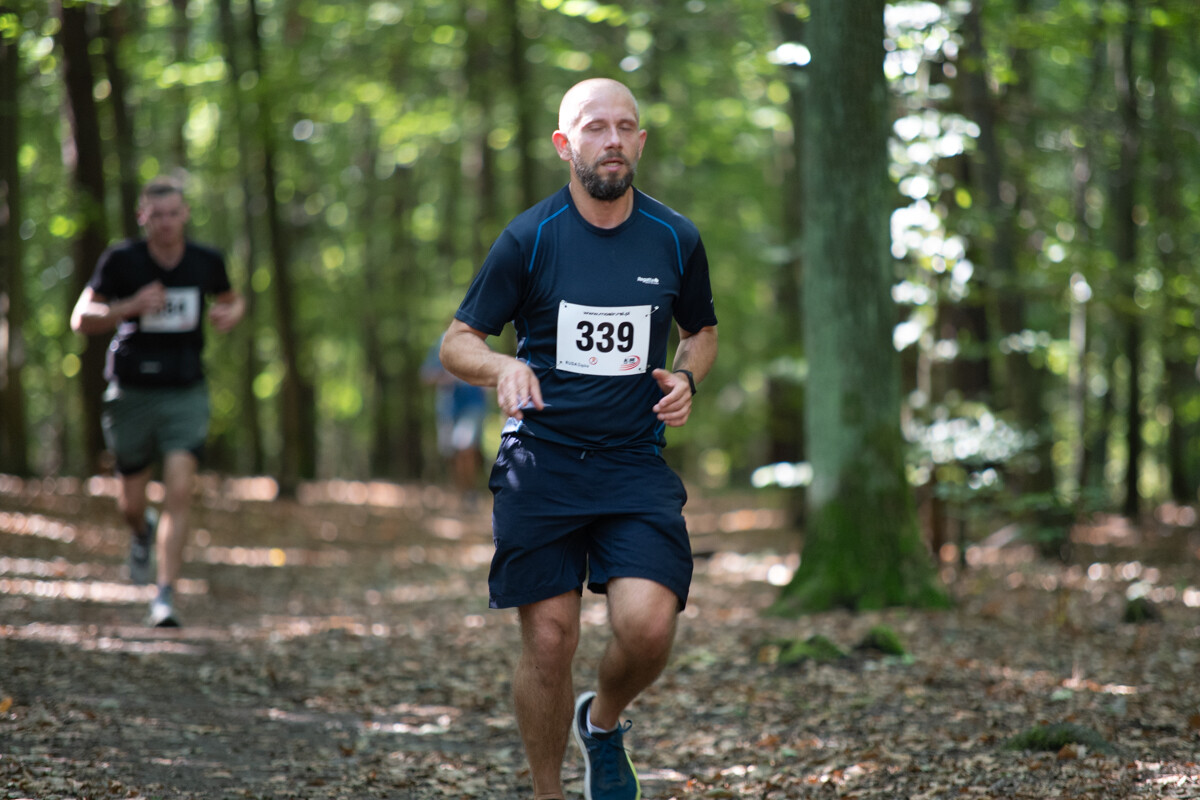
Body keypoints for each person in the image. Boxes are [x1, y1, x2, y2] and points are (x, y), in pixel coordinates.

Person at [439, 78, 718, 800]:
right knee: (551, 638)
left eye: (626, 127)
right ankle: (548, 793)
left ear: (642, 142)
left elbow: (703, 331)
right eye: (596, 128)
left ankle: (605, 721)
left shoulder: (675, 237)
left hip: (632, 463)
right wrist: (502, 363)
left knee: (650, 625)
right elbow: (456, 341)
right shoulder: (529, 239)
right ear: (566, 145)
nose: (614, 140)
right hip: (544, 462)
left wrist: (688, 377)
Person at [70, 175, 244, 628]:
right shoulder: (121, 260)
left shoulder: (207, 261)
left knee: (180, 491)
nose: (166, 224)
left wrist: (230, 313)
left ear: (185, 214)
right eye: (157, 215)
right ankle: (141, 530)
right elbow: (80, 318)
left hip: (186, 392)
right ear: (143, 216)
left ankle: (164, 595)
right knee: (130, 503)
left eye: (174, 214)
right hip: (130, 393)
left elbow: (232, 298)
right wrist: (129, 306)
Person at [421, 334, 488, 499]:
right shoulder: (441, 344)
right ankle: (461, 491)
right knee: (451, 452)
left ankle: (470, 492)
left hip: (473, 406)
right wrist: (443, 376)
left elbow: (495, 372)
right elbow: (425, 375)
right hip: (448, 409)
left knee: (465, 446)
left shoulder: (482, 343)